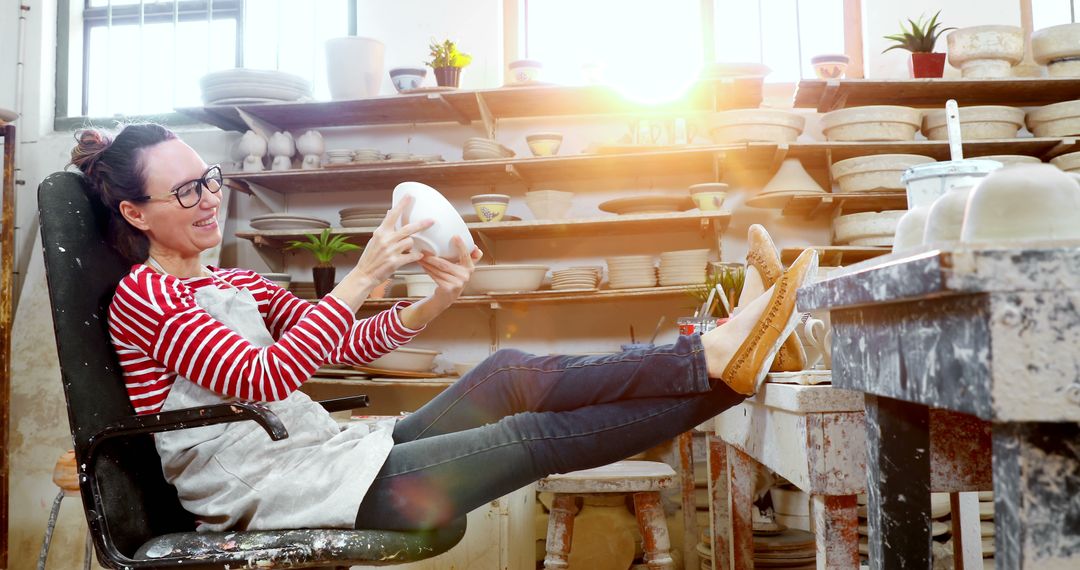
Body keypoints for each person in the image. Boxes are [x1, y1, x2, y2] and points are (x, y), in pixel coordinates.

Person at [68, 123, 817, 533]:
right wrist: (361, 275)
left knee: (508, 372)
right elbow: (265, 377)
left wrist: (431, 301)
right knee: (528, 439)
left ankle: (719, 352)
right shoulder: (145, 296)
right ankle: (720, 359)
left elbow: (344, 346)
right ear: (135, 213)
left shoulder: (234, 280)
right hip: (269, 485)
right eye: (186, 190)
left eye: (211, 180)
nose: (208, 200)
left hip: (316, 451)